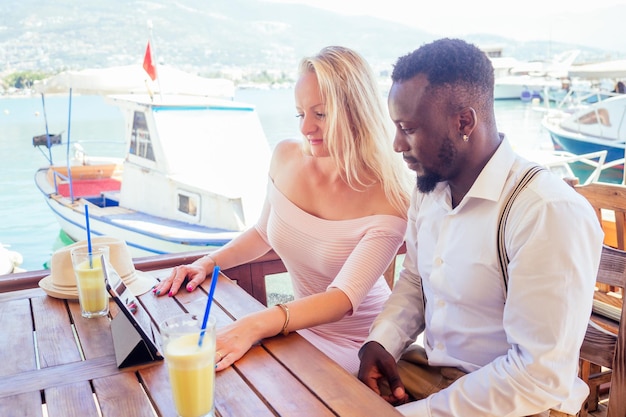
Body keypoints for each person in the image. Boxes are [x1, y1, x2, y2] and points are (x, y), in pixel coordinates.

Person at [357, 38, 604, 416]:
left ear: (464, 122)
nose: (395, 144)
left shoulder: (545, 211)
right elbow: (414, 283)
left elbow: (538, 375)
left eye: (407, 128)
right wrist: (381, 342)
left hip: (520, 399)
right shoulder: (430, 190)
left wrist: (418, 412)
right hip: (433, 373)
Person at [154, 45, 411, 375]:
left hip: (361, 346)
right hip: (295, 328)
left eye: (320, 114)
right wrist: (207, 263)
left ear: (356, 112)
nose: (306, 128)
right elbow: (263, 232)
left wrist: (258, 323)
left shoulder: (389, 196)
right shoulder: (286, 156)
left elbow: (343, 299)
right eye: (300, 114)